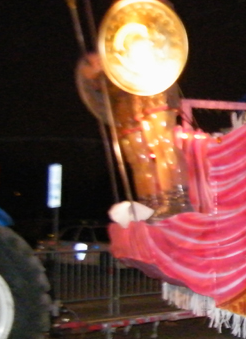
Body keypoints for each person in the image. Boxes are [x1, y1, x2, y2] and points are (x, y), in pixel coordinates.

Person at [77, 53, 193, 220]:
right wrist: (97, 71)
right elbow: (94, 85)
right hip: (130, 104)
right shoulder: (107, 65)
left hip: (154, 87)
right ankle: (150, 204)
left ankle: (178, 200)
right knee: (139, 160)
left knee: (163, 146)